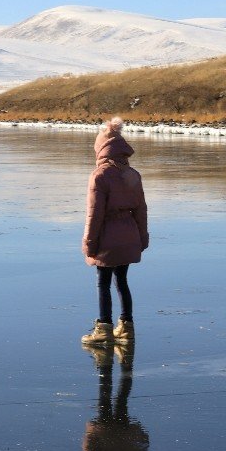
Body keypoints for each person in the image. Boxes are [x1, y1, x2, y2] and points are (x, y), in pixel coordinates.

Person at [81, 117, 149, 346]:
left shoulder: (100, 175)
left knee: (103, 283)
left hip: (108, 238)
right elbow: (141, 210)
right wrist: (142, 237)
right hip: (129, 234)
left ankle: (104, 328)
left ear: (101, 149)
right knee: (122, 281)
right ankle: (127, 327)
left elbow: (95, 213)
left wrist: (90, 243)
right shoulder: (133, 174)